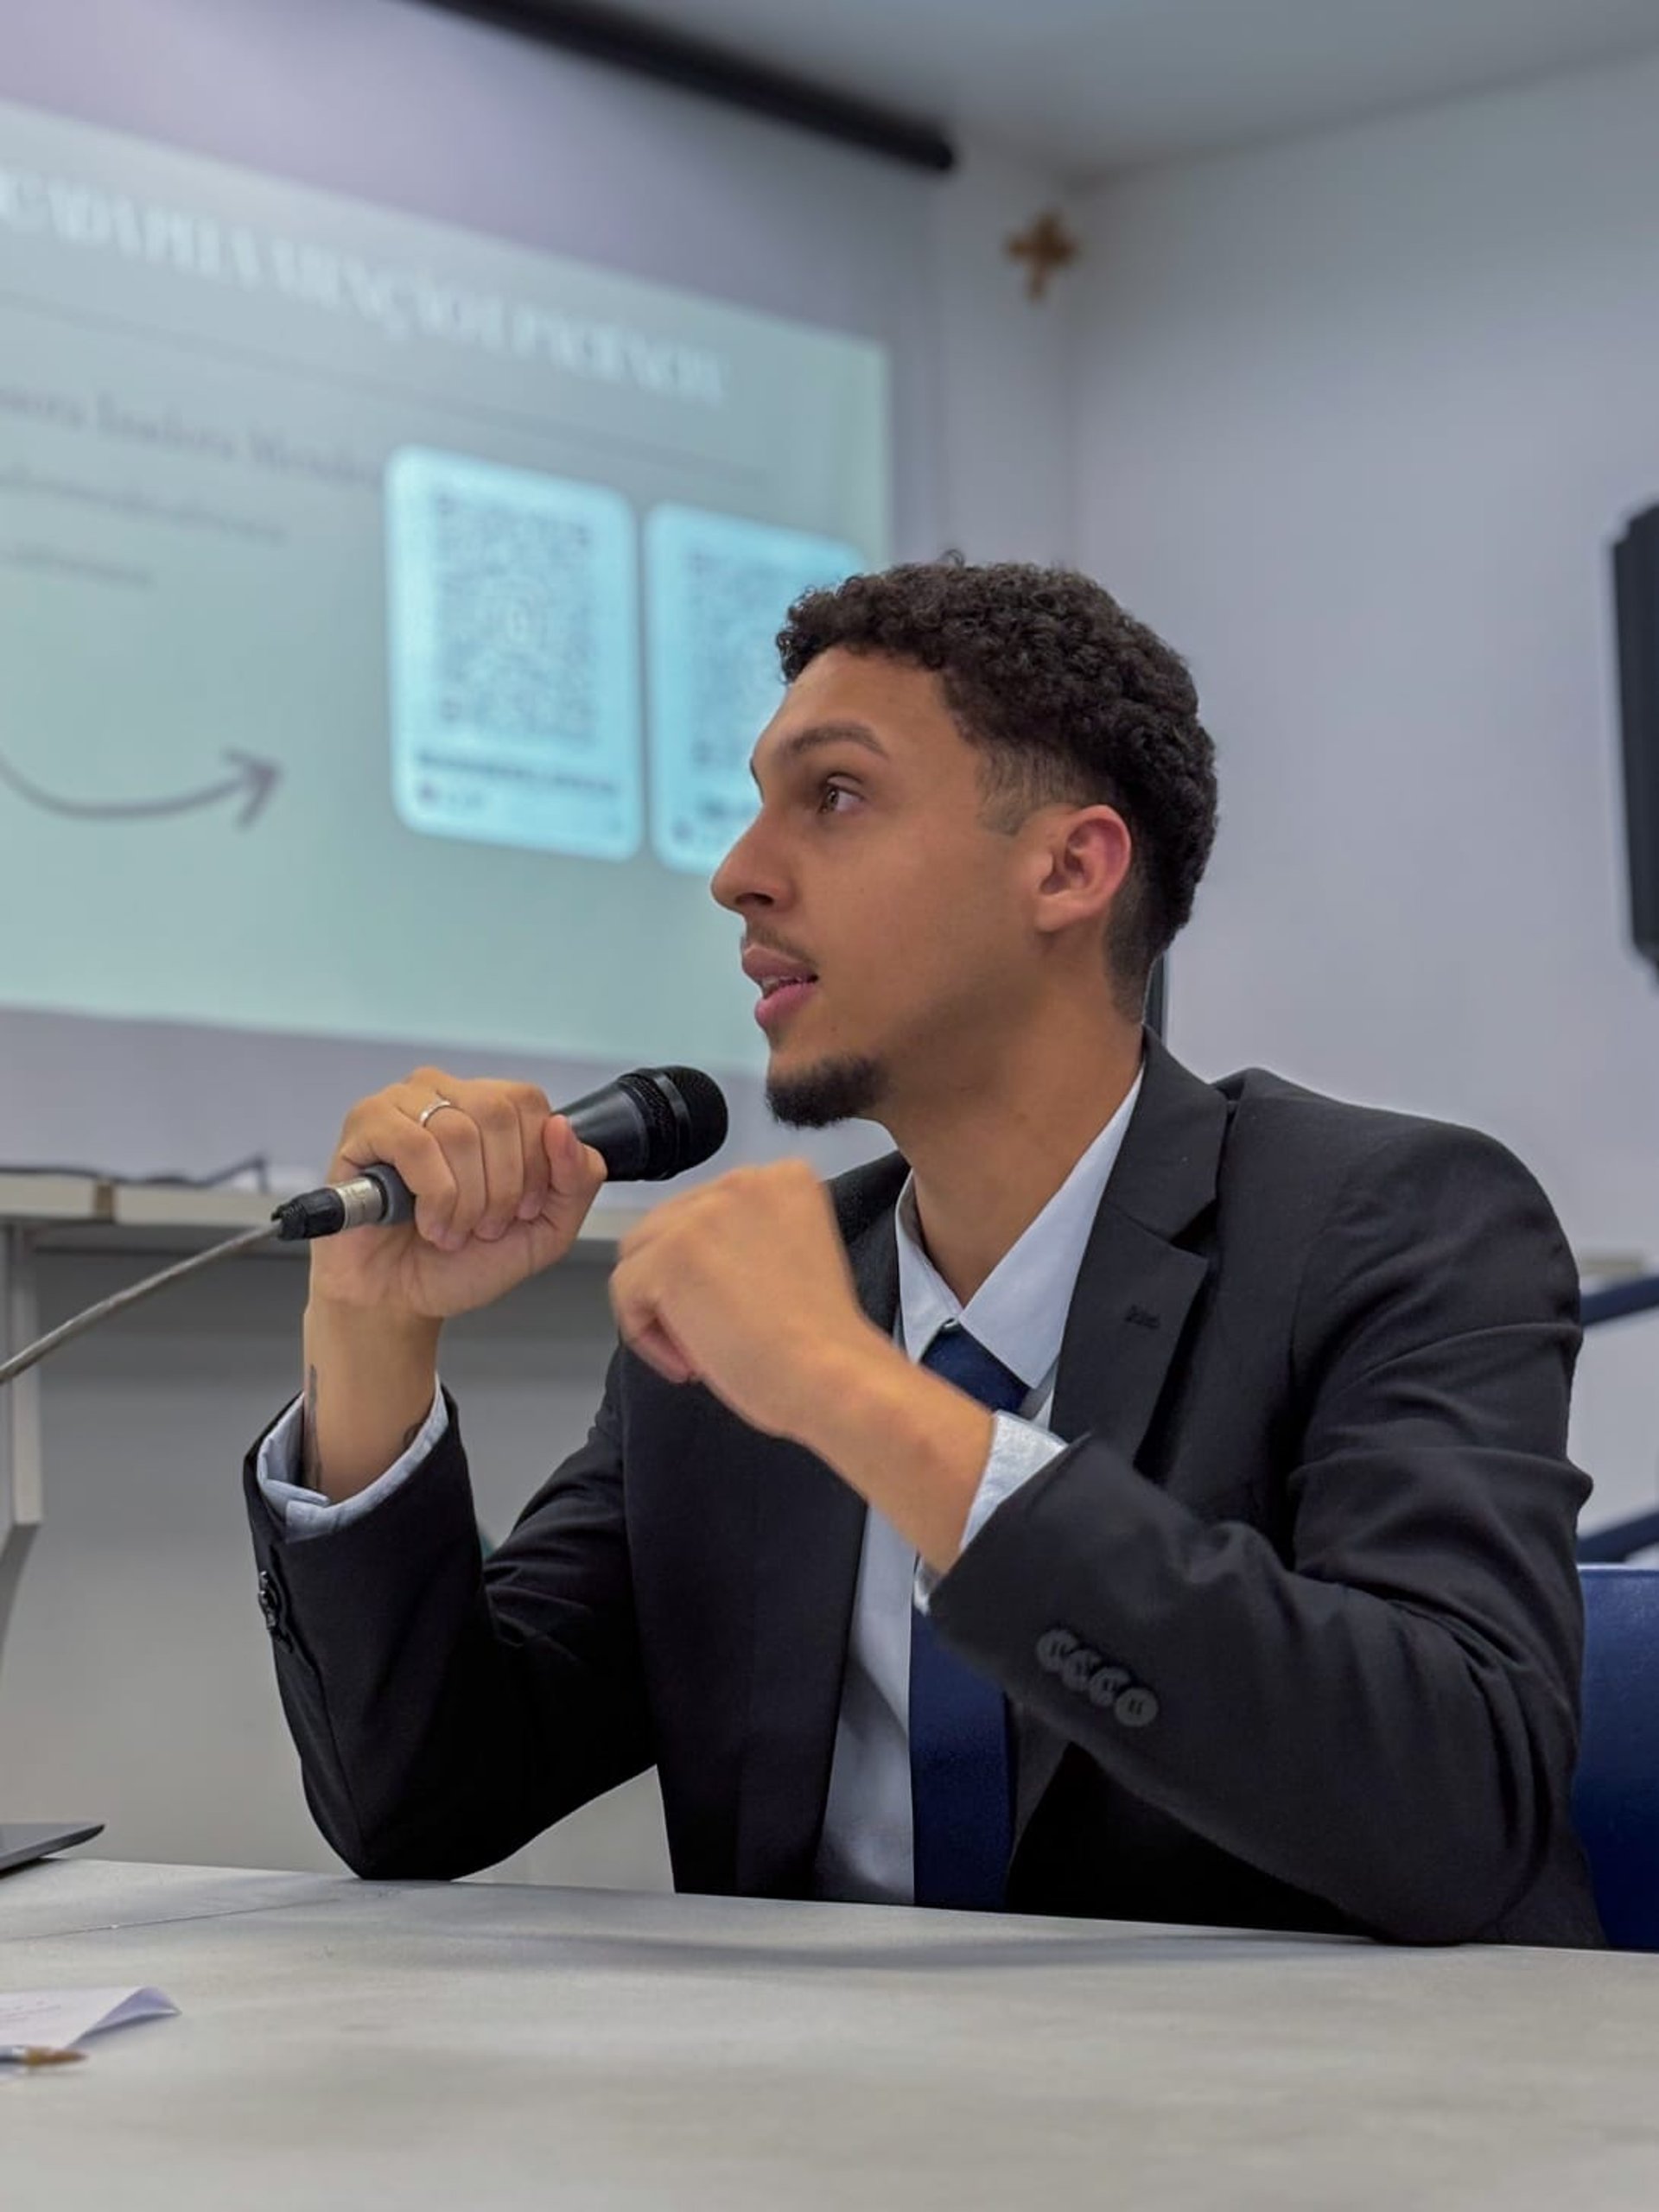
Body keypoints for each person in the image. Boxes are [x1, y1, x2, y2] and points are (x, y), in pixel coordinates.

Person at [245, 558, 1602, 1947]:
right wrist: (370, 1325)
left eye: (832, 796)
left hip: (1314, 2137)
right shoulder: (759, 1313)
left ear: (1070, 867)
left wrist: (869, 1401)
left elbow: (1457, 1812)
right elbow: (425, 1803)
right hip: (840, 2139)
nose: (737, 875)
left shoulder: (1398, 1220)